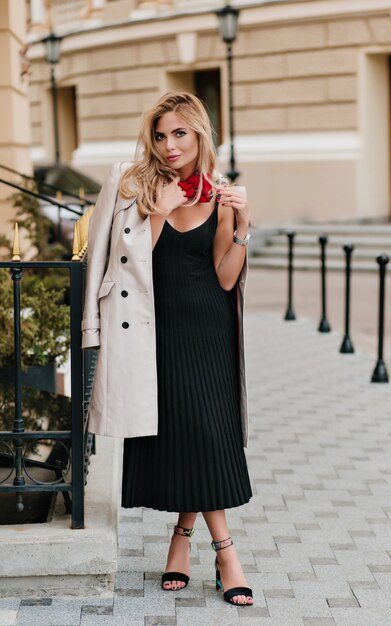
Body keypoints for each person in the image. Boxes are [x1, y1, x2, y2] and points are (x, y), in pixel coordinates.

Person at [82, 91, 253, 606]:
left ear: (200, 134)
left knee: (206, 432)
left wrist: (244, 226)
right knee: (184, 433)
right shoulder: (137, 186)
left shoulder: (220, 195)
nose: (169, 145)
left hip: (210, 331)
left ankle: (200, 546)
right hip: (155, 331)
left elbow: (225, 278)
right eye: (161, 135)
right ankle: (219, 552)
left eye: (180, 133)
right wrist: (158, 212)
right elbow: (123, 262)